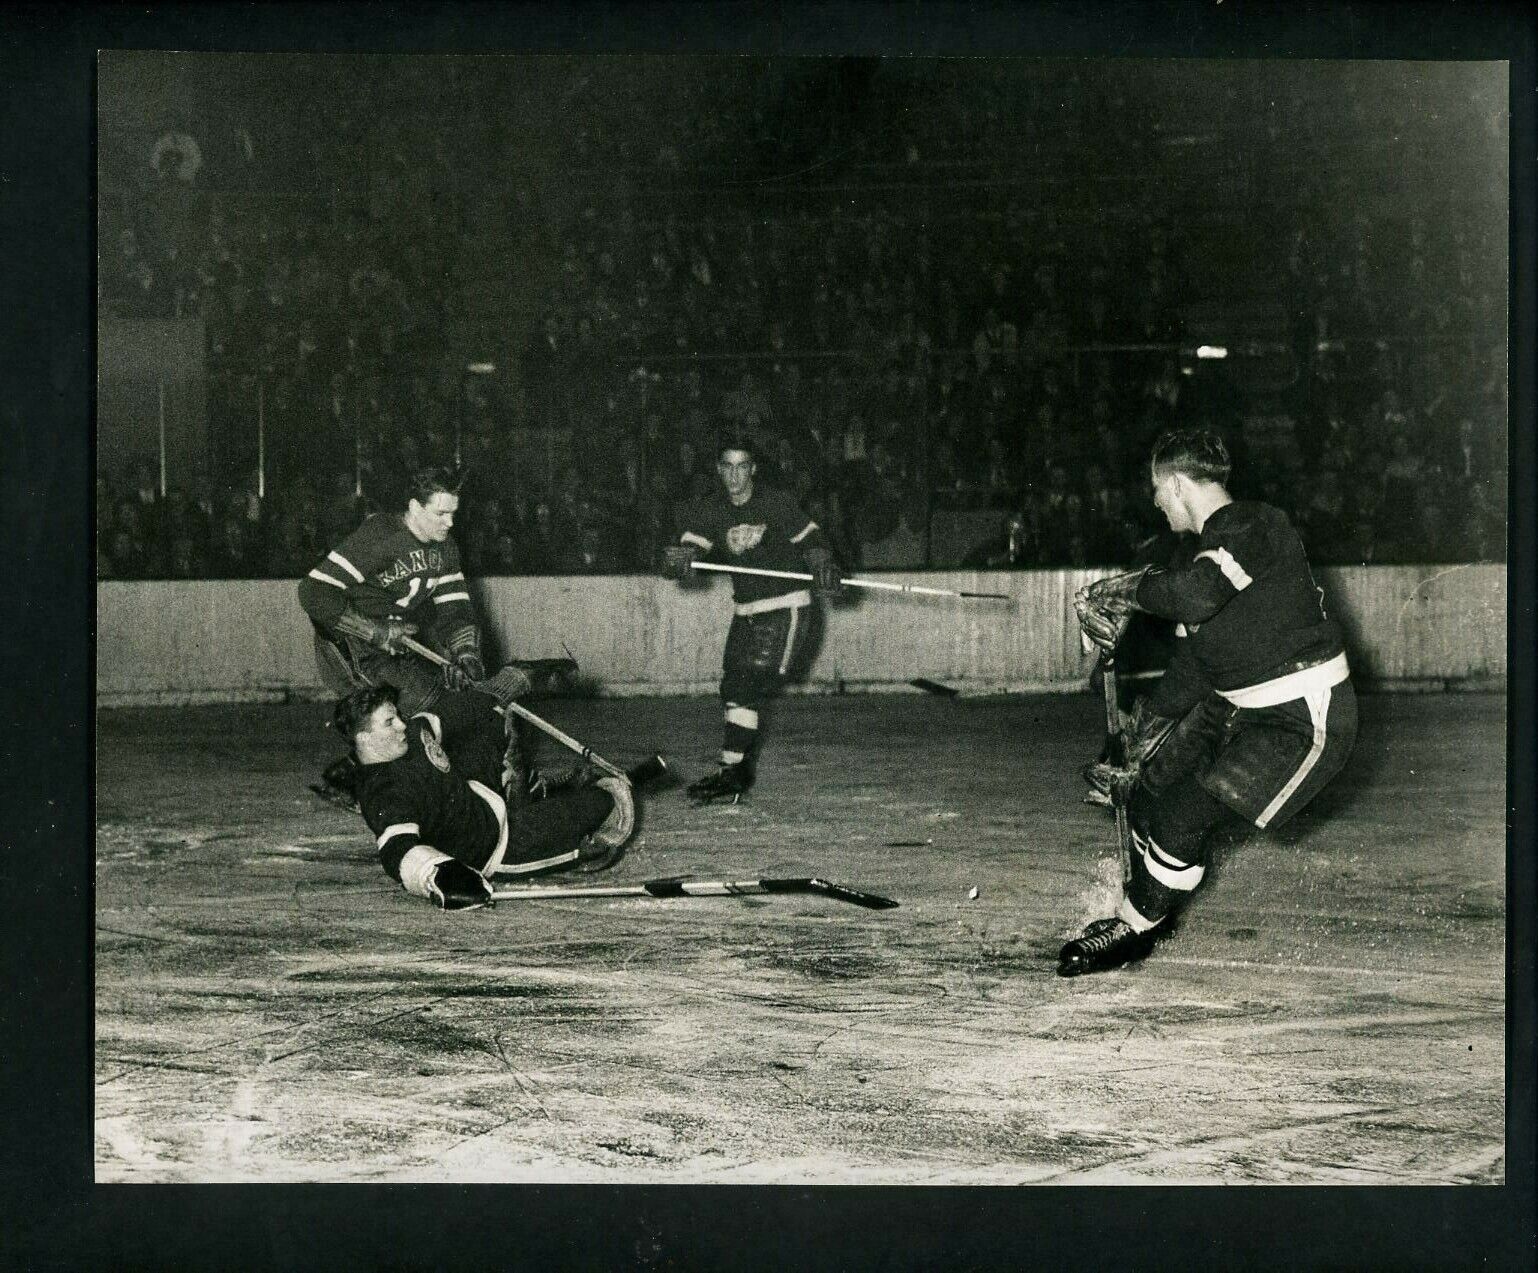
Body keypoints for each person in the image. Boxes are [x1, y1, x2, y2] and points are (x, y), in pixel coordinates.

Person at [1063, 427, 1356, 976]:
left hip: (1300, 715)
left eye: (1156, 488)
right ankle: (1152, 907)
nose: (1155, 502)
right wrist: (1136, 742)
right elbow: (1193, 668)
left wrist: (1125, 591)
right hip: (1237, 707)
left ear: (1176, 484)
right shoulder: (1207, 553)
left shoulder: (1254, 525)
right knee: (1149, 789)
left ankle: (1133, 925)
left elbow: (1195, 595)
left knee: (1186, 812)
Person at [297, 466, 556, 807]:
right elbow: (314, 593)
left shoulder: (444, 548)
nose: (449, 523)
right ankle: (363, 780)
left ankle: (352, 778)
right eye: (441, 513)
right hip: (349, 644)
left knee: (450, 708)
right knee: (425, 714)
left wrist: (466, 656)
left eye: (453, 514)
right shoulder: (380, 536)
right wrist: (374, 631)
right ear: (415, 508)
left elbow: (456, 609)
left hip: (397, 644)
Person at [331, 684, 636, 910]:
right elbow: (397, 848)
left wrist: (504, 685)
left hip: (479, 795)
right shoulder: (383, 793)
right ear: (364, 739)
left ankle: (527, 791)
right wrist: (436, 875)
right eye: (389, 722)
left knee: (492, 721)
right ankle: (570, 840)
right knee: (606, 802)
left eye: (397, 715)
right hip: (497, 845)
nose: (402, 724)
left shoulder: (411, 734)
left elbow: (449, 712)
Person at [661, 437, 842, 804]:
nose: (734, 475)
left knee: (748, 685)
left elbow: (812, 539)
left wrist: (822, 564)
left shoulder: (776, 503)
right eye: (727, 466)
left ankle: (735, 773)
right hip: (745, 611)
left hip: (786, 607)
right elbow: (690, 548)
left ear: (754, 469)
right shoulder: (710, 510)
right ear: (718, 469)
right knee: (733, 689)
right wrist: (678, 561)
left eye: (742, 466)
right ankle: (732, 770)